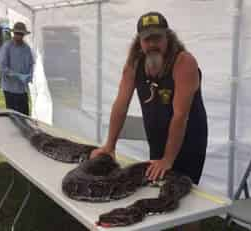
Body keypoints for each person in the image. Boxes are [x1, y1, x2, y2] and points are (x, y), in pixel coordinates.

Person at [90, 12, 208, 231]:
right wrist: (109, 146)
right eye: (147, 39)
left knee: (188, 201)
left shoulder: (184, 62)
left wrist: (168, 159)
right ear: (139, 41)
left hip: (189, 141)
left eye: (158, 38)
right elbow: (120, 105)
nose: (153, 44)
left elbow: (181, 115)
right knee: (160, 195)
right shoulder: (134, 65)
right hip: (158, 140)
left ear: (168, 37)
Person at [0, 22, 34, 115]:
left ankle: (25, 130)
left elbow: (31, 64)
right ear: (14, 33)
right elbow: (2, 67)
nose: (19, 36)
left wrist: (29, 75)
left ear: (23, 35)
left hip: (22, 88)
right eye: (17, 33)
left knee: (24, 115)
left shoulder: (26, 48)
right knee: (13, 115)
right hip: (10, 88)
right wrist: (17, 75)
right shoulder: (7, 46)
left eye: (21, 34)